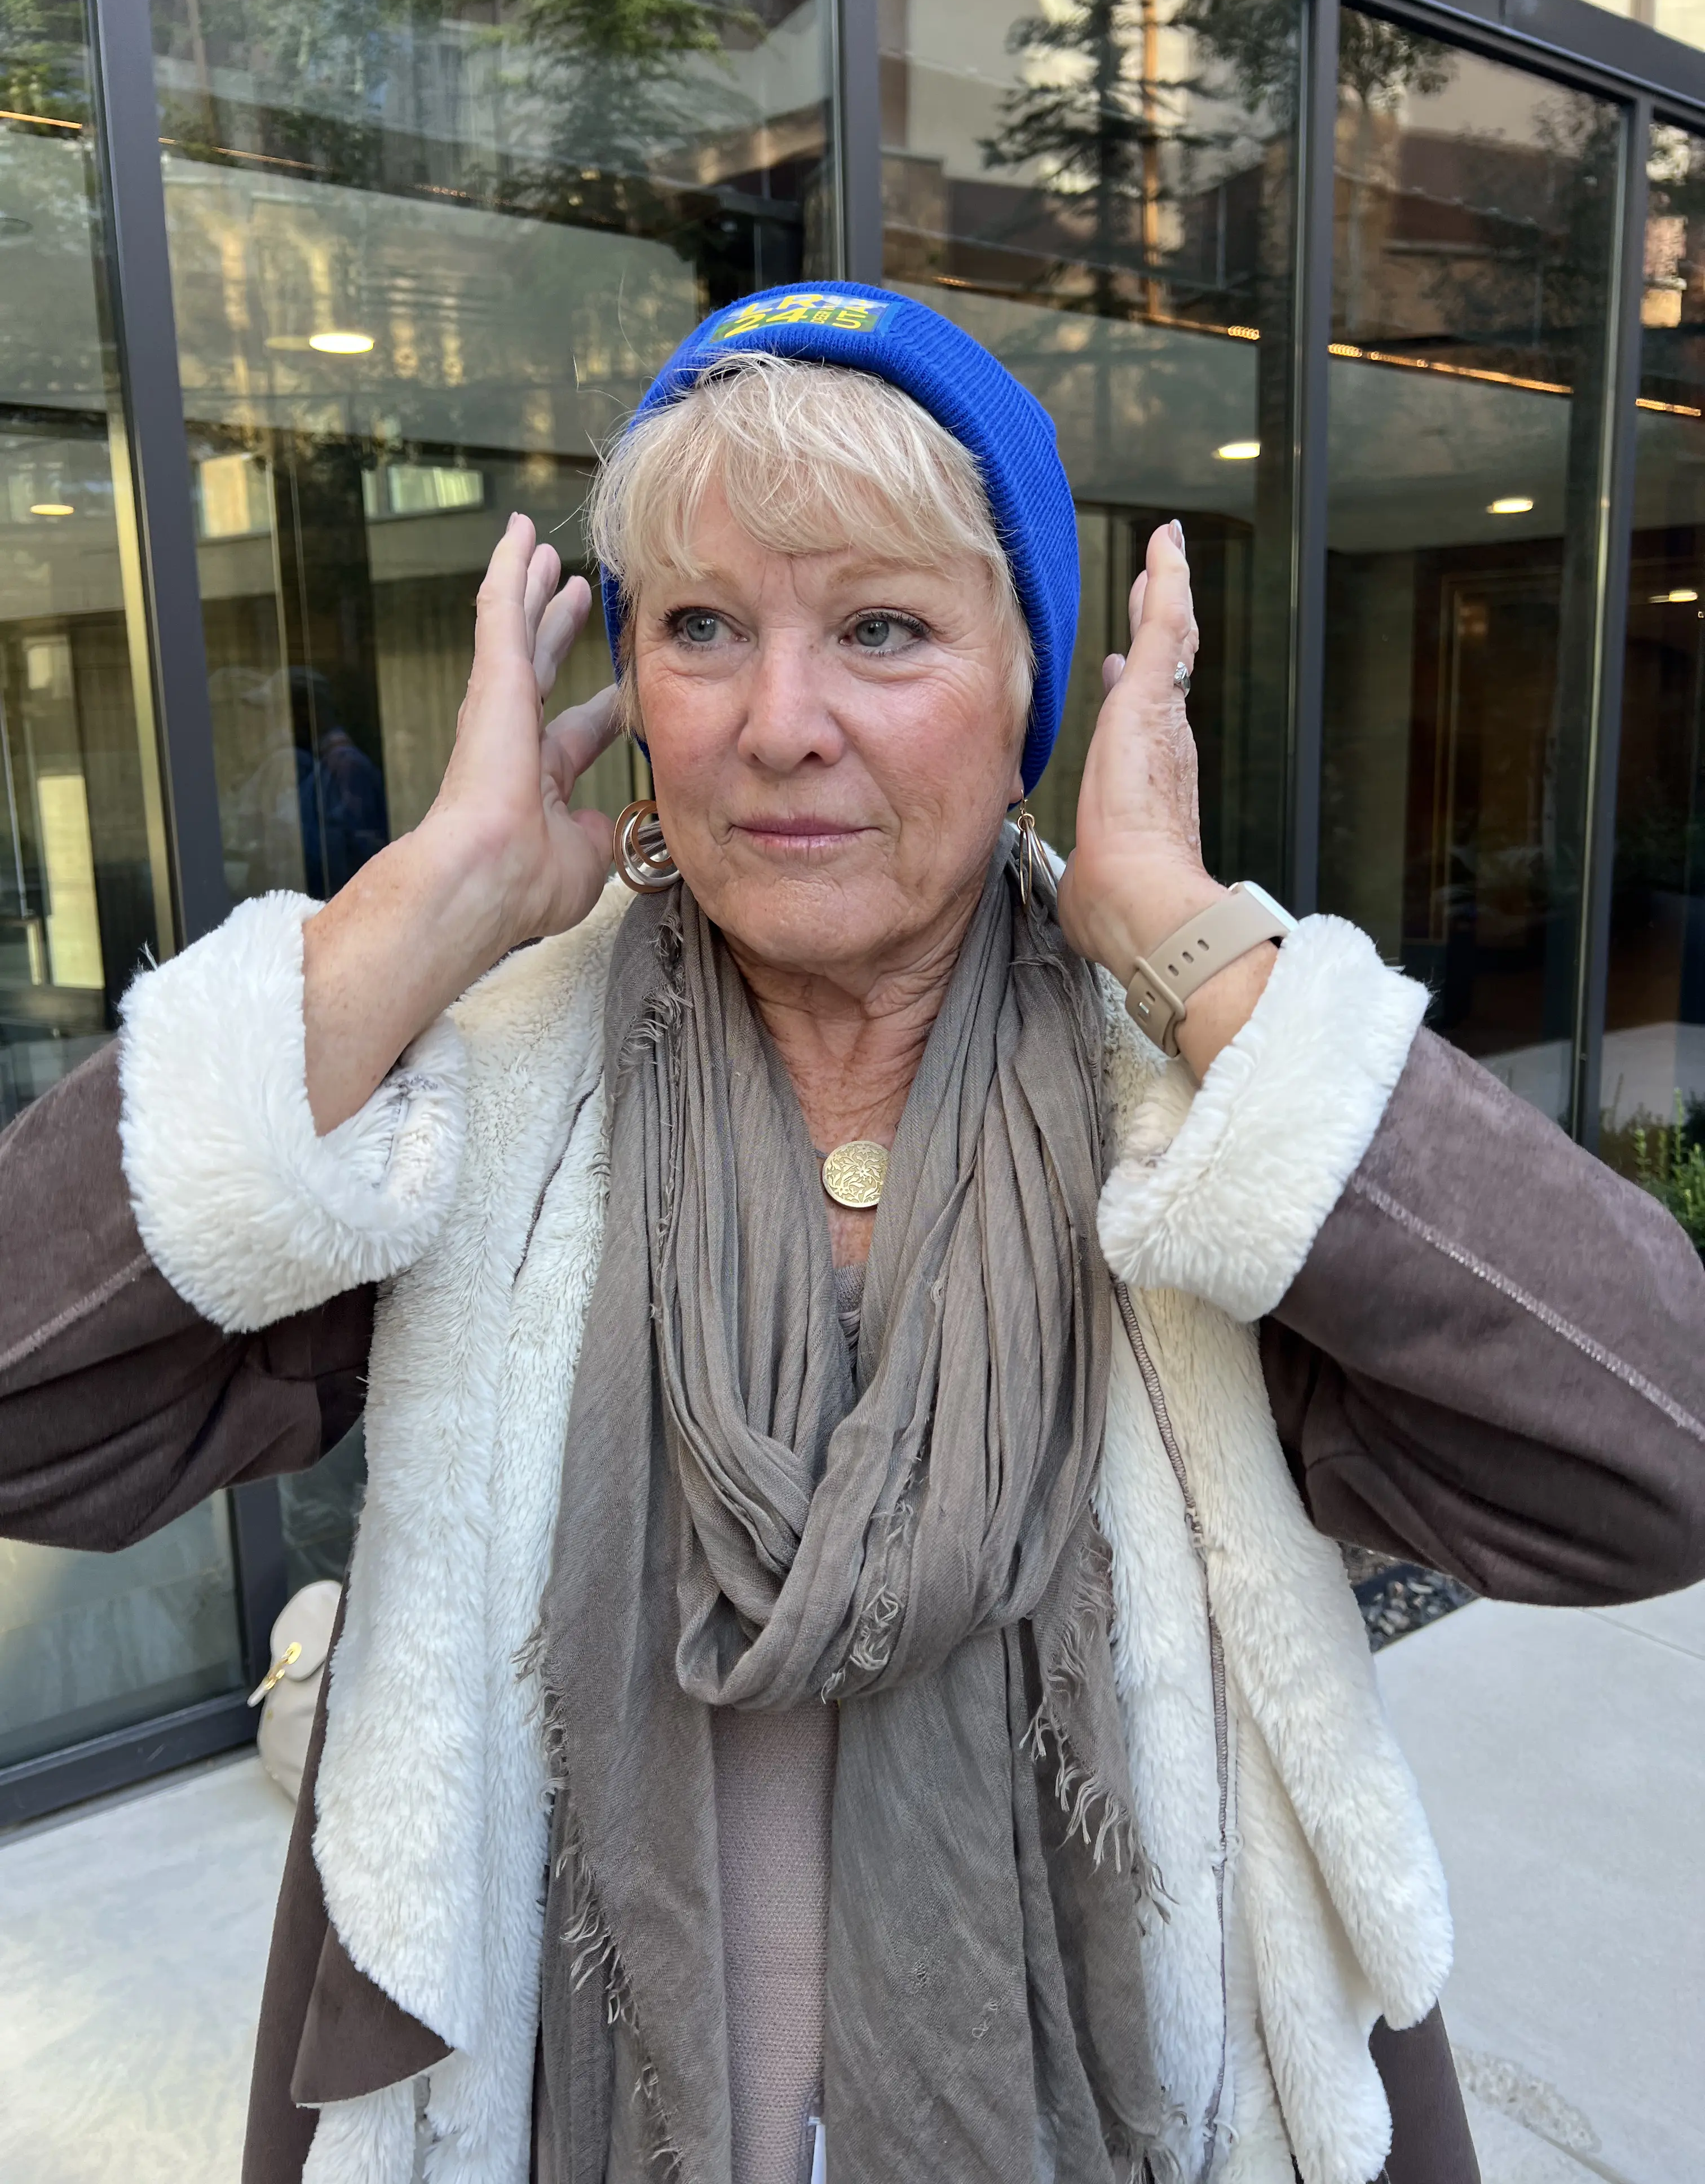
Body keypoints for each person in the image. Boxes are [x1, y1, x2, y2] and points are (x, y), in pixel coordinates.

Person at [2, 284, 1702, 2184]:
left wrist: (1198, 952)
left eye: (881, 629)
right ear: (629, 685)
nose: (777, 724)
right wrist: (435, 904)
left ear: (1030, 697)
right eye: (702, 629)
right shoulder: (475, 1118)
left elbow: (1660, 1457)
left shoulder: (1188, 1137)